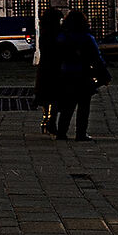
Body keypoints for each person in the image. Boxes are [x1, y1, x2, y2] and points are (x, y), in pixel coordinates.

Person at [48, 9, 109, 141]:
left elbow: (56, 57)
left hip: (66, 74)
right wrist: (105, 75)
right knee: (84, 106)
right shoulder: (87, 38)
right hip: (83, 74)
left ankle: (61, 133)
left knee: (67, 106)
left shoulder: (62, 37)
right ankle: (81, 133)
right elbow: (96, 58)